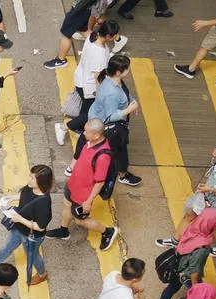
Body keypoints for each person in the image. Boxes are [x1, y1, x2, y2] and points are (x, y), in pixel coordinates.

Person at [155, 135, 216, 257]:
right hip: (206, 196)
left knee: (215, 229)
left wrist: (210, 189)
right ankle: (175, 240)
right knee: (190, 215)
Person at [43, 119, 118, 251]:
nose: (83, 133)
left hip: (83, 194)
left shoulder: (103, 157)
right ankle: (63, 230)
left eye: (87, 132)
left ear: (96, 135)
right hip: (73, 184)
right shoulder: (88, 142)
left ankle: (107, 231)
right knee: (67, 204)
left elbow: (100, 182)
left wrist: (88, 201)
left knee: (79, 220)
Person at [0, 165, 53, 284]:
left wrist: (20, 219)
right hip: (18, 228)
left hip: (32, 236)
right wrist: (13, 198)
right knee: (7, 246)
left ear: (41, 182)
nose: (28, 180)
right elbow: (25, 195)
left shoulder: (43, 203)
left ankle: (42, 274)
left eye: (32, 178)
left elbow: (40, 227)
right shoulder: (30, 187)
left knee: (33, 256)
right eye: (29, 176)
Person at [84, 53, 141, 187]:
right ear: (118, 72)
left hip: (99, 118)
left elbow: (123, 93)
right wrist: (129, 109)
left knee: (115, 148)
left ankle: (119, 172)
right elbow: (110, 116)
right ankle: (121, 174)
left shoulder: (111, 79)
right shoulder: (112, 92)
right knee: (118, 148)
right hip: (108, 125)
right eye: (127, 68)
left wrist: (131, 101)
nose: (129, 70)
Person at [153, 213, 216, 299]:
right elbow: (194, 271)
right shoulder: (202, 248)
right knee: (198, 297)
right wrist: (195, 288)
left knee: (171, 288)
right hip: (186, 273)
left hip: (177, 265)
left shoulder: (191, 230)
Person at [62, 20, 120, 135]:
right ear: (108, 36)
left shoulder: (92, 36)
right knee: (92, 113)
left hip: (81, 78)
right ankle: (63, 127)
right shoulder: (99, 55)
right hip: (89, 86)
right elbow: (97, 78)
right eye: (115, 35)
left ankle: (80, 128)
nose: (117, 36)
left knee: (87, 107)